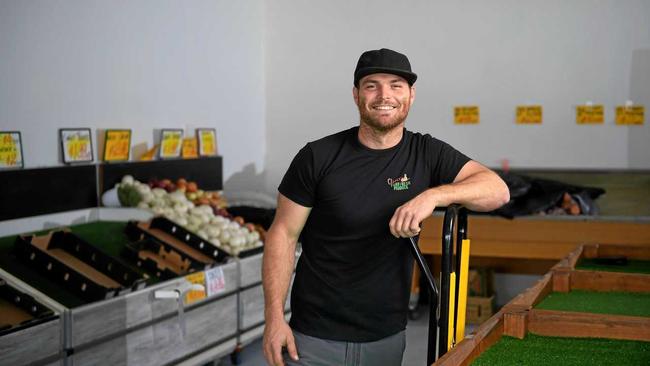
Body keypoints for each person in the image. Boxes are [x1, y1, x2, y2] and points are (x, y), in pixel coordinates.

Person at [262, 48, 510, 366]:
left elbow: (497, 191)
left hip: (387, 338)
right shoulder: (317, 157)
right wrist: (273, 319)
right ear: (356, 95)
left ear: (411, 95)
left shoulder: (426, 152)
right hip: (313, 339)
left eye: (396, 85)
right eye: (372, 85)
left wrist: (432, 197)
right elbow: (282, 234)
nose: (384, 95)